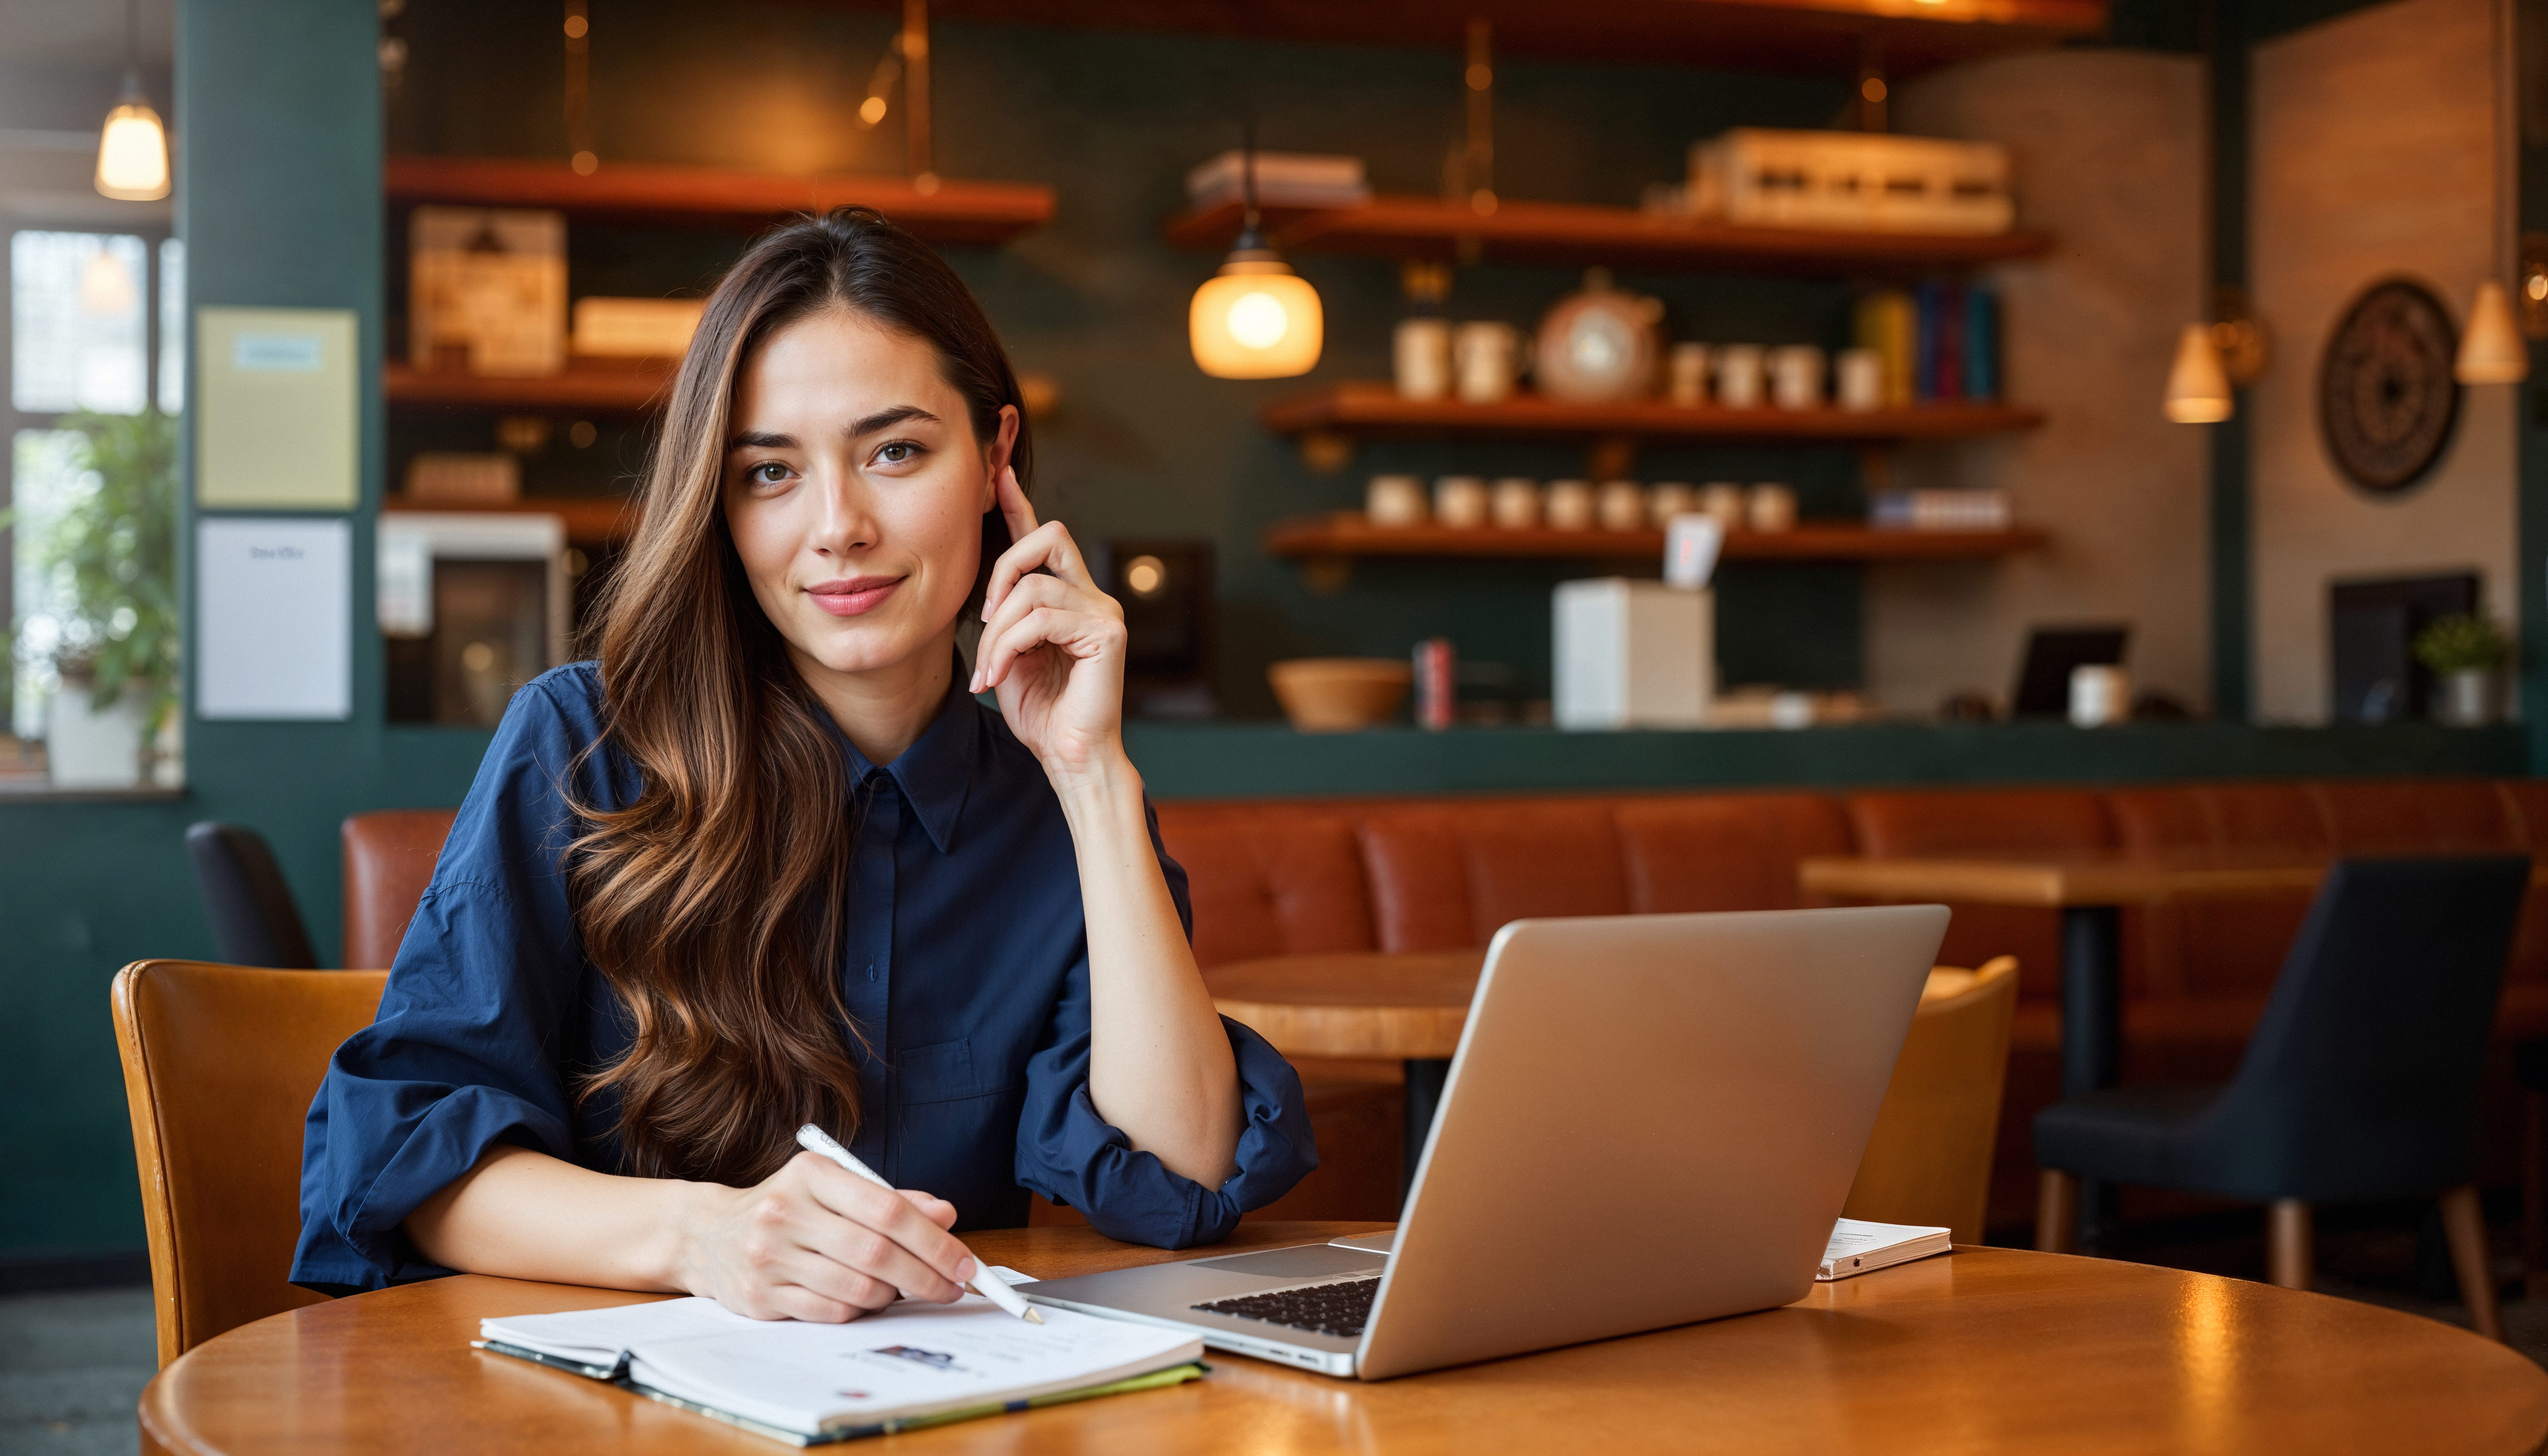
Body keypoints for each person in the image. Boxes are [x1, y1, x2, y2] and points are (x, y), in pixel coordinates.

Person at [293, 209, 1315, 1321]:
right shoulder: (583, 744)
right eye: (771, 473)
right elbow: (412, 1165)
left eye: (895, 452)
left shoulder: (1052, 797)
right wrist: (702, 1236)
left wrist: (1094, 779)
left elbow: (1182, 1170)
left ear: (995, 458)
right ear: (720, 507)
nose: (839, 526)